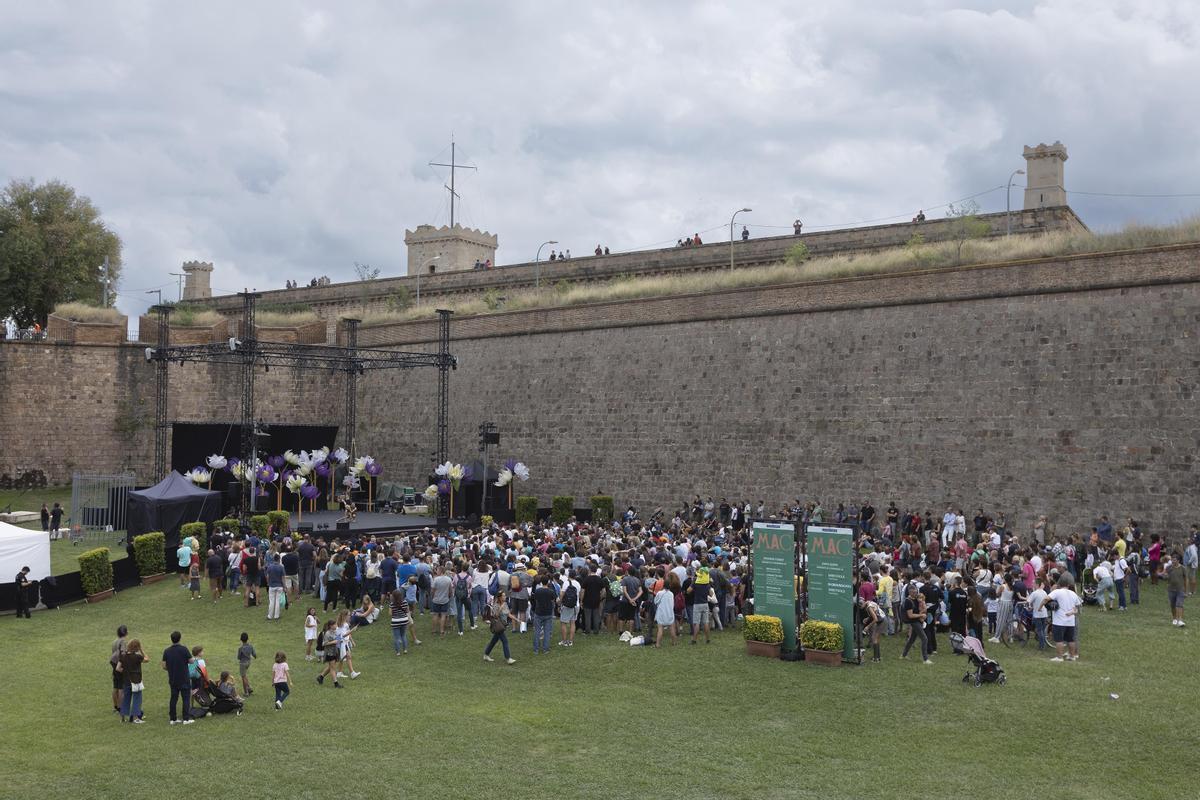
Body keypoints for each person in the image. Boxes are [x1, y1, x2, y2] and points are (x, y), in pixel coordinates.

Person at [1040, 573, 1082, 661]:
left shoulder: (1057, 592)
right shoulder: (1073, 593)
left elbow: (1046, 599)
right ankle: (1072, 656)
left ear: (1059, 583)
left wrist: (1040, 607)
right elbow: (1077, 607)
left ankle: (1059, 657)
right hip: (1070, 622)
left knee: (1059, 640)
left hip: (1059, 621)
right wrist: (1071, 613)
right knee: (1071, 640)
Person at [161, 631, 194, 725]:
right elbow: (191, 661)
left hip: (173, 678)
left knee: (173, 698)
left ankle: (173, 719)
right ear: (180, 638)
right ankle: (186, 719)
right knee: (186, 698)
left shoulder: (167, 651)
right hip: (184, 678)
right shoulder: (184, 649)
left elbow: (163, 666)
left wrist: (171, 669)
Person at [116, 638, 148, 723]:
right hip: (136, 680)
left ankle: (122, 717)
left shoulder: (123, 656)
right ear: (137, 647)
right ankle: (135, 718)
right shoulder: (137, 657)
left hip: (126, 680)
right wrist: (141, 650)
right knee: (137, 698)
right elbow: (147, 659)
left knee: (126, 699)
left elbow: (118, 668)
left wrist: (125, 671)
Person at [483, 590, 518, 664]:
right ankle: (508, 658)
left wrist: (517, 619)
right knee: (505, 641)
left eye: (505, 595)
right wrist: (500, 608)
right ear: (499, 597)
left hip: (502, 625)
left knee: (493, 641)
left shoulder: (505, 604)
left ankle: (486, 654)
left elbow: (508, 614)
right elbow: (495, 615)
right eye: (503, 596)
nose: (505, 597)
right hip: (498, 626)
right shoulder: (496, 605)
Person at [900, 585, 931, 664]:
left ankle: (903, 655)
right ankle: (925, 659)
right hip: (914, 622)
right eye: (913, 592)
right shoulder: (908, 601)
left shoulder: (917, 599)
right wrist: (921, 615)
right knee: (924, 639)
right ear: (909, 592)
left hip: (918, 621)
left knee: (911, 640)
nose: (915, 593)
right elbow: (910, 615)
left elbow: (921, 606)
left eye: (916, 592)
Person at [531, 575, 557, 655]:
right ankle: (545, 649)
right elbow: (553, 600)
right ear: (548, 581)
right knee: (547, 631)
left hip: (539, 612)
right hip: (548, 613)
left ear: (541, 582)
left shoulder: (538, 591)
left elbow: (535, 599)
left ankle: (536, 649)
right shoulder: (551, 591)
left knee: (537, 631)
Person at [315, 620, 344, 687]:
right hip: (329, 653)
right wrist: (333, 642)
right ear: (331, 626)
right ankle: (336, 684)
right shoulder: (327, 633)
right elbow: (324, 643)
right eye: (335, 624)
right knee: (332, 668)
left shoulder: (336, 632)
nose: (336, 625)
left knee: (330, 667)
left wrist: (340, 641)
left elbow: (338, 641)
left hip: (335, 652)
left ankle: (320, 677)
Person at [654, 573, 679, 646]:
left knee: (660, 628)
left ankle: (658, 644)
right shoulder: (671, 594)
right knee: (672, 628)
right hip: (670, 612)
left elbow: (655, 601)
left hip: (661, 613)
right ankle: (674, 642)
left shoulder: (660, 593)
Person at [429, 565, 453, 636]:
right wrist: (448, 597)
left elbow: (432, 590)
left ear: (440, 571)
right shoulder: (448, 579)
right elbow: (450, 591)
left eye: (437, 570)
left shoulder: (436, 579)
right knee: (443, 615)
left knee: (435, 615)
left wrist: (433, 597)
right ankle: (442, 630)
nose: (436, 571)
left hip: (436, 599)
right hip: (445, 600)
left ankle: (433, 630)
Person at [1165, 550, 1187, 627]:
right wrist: (1166, 575)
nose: (1173, 562)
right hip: (1171, 589)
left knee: (1179, 604)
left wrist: (1185, 590)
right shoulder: (1169, 568)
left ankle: (1180, 620)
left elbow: (1185, 579)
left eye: (1174, 560)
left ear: (1178, 561)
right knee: (1172, 605)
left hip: (1180, 590)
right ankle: (1174, 618)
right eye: (1172, 560)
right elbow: (1165, 576)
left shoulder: (1183, 568)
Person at [390, 588, 414, 654]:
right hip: (404, 620)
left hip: (395, 621)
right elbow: (407, 611)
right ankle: (405, 650)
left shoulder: (392, 604)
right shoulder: (405, 602)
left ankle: (398, 652)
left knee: (396, 637)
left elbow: (390, 613)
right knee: (403, 635)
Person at [110, 624, 129, 713]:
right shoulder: (124, 642)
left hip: (113, 663)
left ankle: (115, 706)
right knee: (121, 687)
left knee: (115, 686)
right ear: (126, 633)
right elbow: (123, 653)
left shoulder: (114, 641)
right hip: (119, 664)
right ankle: (121, 707)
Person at [265, 554, 286, 620]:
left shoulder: (270, 567)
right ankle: (276, 615)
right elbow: (283, 578)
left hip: (272, 585)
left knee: (271, 601)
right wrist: (284, 586)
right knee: (277, 601)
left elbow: (267, 576)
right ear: (279, 559)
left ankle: (270, 615)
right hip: (279, 586)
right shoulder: (281, 567)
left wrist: (268, 583)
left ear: (273, 559)